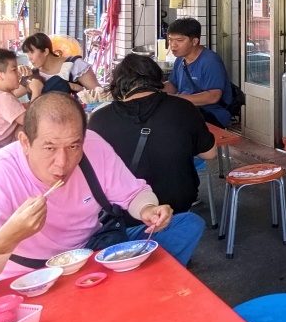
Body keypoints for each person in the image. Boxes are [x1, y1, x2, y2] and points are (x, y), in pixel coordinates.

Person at [0, 93, 204, 283]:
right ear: (25, 142)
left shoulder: (93, 145)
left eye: (73, 146)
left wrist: (148, 209)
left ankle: (140, 290)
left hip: (91, 254)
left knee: (187, 224)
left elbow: (133, 193)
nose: (62, 162)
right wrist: (11, 237)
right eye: (49, 147)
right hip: (31, 275)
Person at [89, 55, 217, 221]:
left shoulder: (100, 119)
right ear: (157, 78)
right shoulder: (183, 108)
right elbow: (210, 153)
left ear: (119, 82)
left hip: (123, 212)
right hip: (177, 205)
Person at [163, 18, 233, 128]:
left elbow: (213, 97)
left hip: (212, 113)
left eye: (179, 40)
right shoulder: (180, 59)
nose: (173, 45)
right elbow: (173, 85)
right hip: (187, 109)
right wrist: (153, 89)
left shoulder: (210, 61)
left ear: (195, 41)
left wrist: (176, 99)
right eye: (170, 40)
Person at [0, 48, 41, 151]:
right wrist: (36, 91)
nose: (19, 73)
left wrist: (27, 79)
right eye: (14, 70)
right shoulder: (2, 98)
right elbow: (31, 121)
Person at [20, 33, 100, 97]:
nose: (29, 58)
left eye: (32, 52)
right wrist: (16, 72)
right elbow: (11, 94)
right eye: (27, 53)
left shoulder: (75, 65)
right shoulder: (33, 74)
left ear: (45, 51)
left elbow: (98, 93)